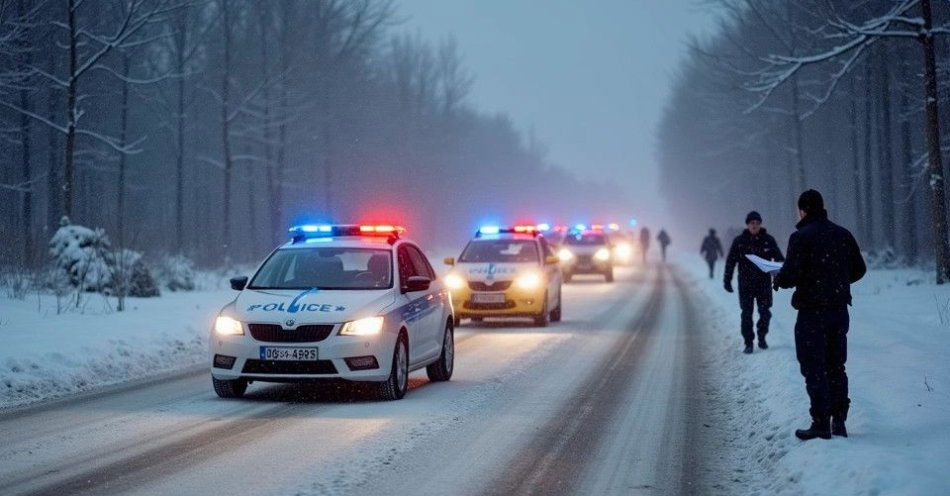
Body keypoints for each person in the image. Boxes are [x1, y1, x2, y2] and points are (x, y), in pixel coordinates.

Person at [774, 190, 866, 441]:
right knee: (836, 365)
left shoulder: (800, 237)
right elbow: (860, 269)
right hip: (839, 310)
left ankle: (821, 422)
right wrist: (836, 281)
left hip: (812, 312)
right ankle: (840, 420)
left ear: (802, 210)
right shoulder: (842, 234)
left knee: (813, 366)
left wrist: (779, 278)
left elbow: (790, 274)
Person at [724, 211, 784, 354]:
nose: (754, 226)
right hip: (745, 284)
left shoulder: (769, 240)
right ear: (747, 224)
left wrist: (780, 276)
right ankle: (748, 342)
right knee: (746, 314)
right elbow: (731, 261)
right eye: (752, 223)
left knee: (765, 313)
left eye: (757, 223)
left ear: (760, 224)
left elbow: (780, 260)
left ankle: (762, 336)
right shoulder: (739, 241)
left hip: (764, 284)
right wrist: (727, 279)